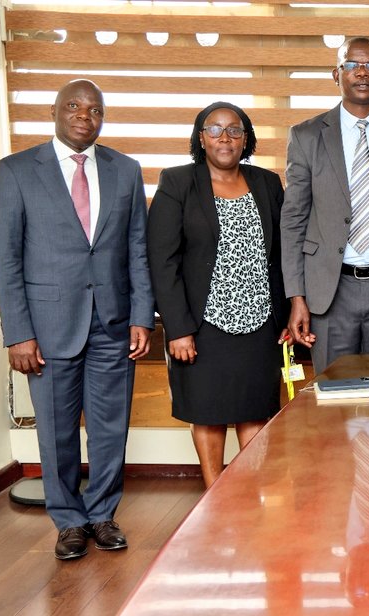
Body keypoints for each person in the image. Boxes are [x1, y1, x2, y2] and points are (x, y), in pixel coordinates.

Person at [0, 79, 153, 559]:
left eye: (95, 109)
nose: (85, 115)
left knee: (109, 427)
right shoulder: (16, 171)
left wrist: (142, 316)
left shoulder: (125, 169)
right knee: (56, 431)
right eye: (75, 107)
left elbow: (136, 250)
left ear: (103, 118)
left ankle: (102, 514)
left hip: (114, 324)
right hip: (48, 326)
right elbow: (6, 258)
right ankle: (68, 521)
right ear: (54, 111)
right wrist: (18, 333)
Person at [148, 102, 291, 488]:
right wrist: (177, 329)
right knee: (208, 413)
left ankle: (247, 494)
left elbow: (282, 254)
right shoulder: (177, 183)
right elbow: (162, 261)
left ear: (247, 139)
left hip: (261, 320)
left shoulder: (267, 183)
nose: (224, 138)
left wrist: (290, 309)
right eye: (215, 129)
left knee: (255, 410)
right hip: (202, 324)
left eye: (234, 129)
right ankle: (214, 495)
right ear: (201, 137)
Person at [281, 37, 369, 374]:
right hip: (329, 291)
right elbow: (293, 220)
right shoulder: (305, 136)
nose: (363, 72)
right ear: (336, 74)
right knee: (332, 401)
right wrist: (297, 297)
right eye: (352, 64)